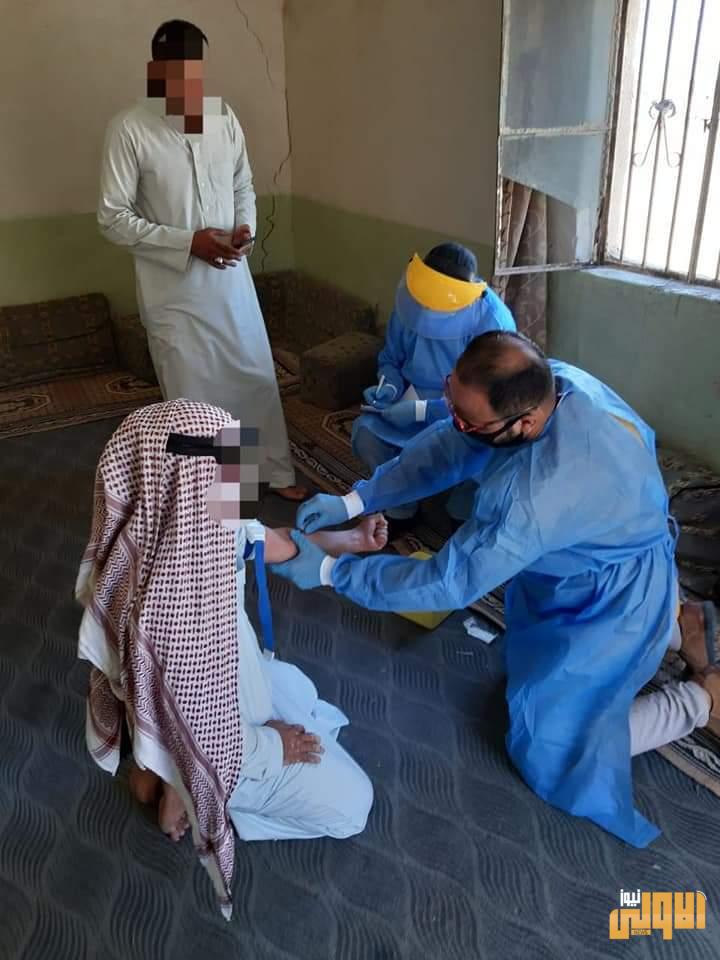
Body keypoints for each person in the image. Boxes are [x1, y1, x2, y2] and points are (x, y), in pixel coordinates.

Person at [272, 331, 719, 847]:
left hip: (616, 593)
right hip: (596, 548)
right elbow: (447, 446)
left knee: (551, 749)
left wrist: (333, 572)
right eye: (452, 399)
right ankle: (680, 621)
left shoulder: (531, 499)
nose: (456, 423)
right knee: (539, 654)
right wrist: (357, 500)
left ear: (522, 423)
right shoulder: (553, 385)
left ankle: (702, 698)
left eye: (469, 420)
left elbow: (446, 582)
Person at [75, 399, 379, 917]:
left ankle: (155, 767)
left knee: (300, 689)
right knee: (355, 804)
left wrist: (349, 540)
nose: (241, 491)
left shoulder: (164, 524)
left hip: (216, 694)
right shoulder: (172, 614)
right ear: (200, 489)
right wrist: (272, 746)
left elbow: (269, 540)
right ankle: (187, 793)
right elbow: (194, 727)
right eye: (233, 477)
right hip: (214, 744)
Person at [97, 19, 306, 502]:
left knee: (252, 377)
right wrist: (187, 243)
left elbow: (242, 183)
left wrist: (245, 229)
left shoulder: (223, 117)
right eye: (176, 76)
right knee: (193, 398)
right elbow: (112, 218)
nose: (188, 87)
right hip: (173, 294)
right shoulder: (130, 128)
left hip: (231, 284)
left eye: (195, 74)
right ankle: (217, 496)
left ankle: (273, 472)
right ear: (156, 71)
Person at [353, 243, 515, 523]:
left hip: (464, 414)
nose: (428, 309)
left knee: (480, 456)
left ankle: (460, 510)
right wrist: (388, 387)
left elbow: (490, 401)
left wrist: (424, 411)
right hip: (409, 398)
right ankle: (402, 507)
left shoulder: (492, 321)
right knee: (366, 432)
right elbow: (391, 358)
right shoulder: (411, 302)